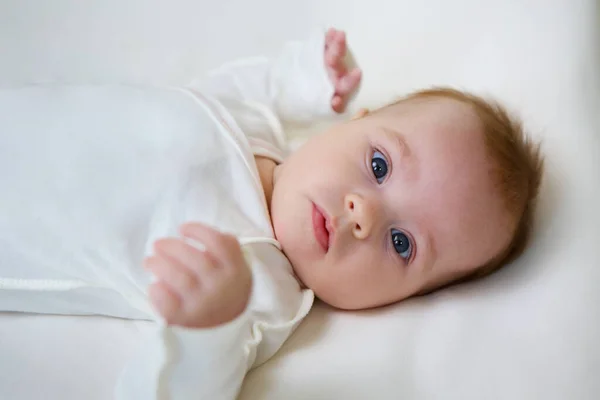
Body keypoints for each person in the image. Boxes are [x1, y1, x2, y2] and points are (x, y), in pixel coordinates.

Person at [0, 28, 542, 398]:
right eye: (378, 164)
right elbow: (248, 85)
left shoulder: (257, 287)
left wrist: (206, 330)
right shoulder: (256, 127)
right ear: (354, 121)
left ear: (403, 301)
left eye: (402, 244)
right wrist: (310, 79)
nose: (364, 214)